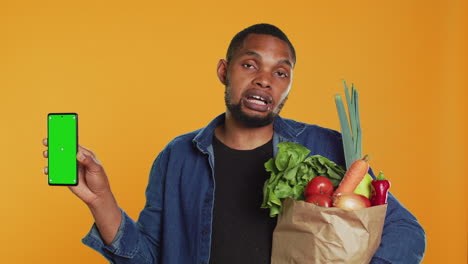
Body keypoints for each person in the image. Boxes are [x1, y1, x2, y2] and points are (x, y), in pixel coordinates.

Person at [42, 23, 426, 264]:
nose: (264, 80)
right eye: (250, 65)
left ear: (287, 87)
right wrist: (100, 199)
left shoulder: (324, 148)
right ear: (224, 71)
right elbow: (147, 258)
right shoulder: (177, 157)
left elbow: (407, 232)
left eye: (280, 72)